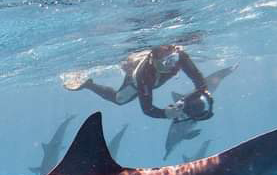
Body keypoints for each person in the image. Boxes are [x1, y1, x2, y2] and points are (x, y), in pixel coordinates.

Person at [63, 45, 213, 121]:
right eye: (164, 63)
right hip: (136, 76)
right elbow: (147, 109)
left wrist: (204, 90)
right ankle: (89, 84)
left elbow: (196, 76)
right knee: (119, 99)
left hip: (154, 76)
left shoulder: (180, 57)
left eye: (171, 60)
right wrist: (165, 114)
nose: (170, 66)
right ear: (154, 61)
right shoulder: (144, 76)